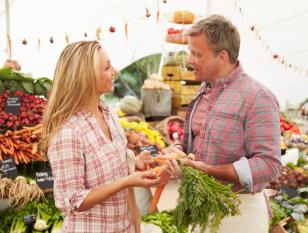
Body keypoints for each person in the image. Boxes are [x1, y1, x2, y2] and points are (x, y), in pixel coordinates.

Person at [165, 15, 281, 233]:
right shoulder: (203, 91)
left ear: (222, 56)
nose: (189, 60)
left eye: (196, 54)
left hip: (239, 213)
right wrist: (177, 151)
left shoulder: (258, 97)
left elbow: (269, 164)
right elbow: (192, 142)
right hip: (199, 207)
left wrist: (212, 170)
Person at [40, 41, 161, 233]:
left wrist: (135, 162)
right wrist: (128, 181)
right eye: (107, 67)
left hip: (124, 226)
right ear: (85, 77)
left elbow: (110, 162)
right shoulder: (68, 132)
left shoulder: (107, 113)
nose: (114, 70)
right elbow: (73, 200)